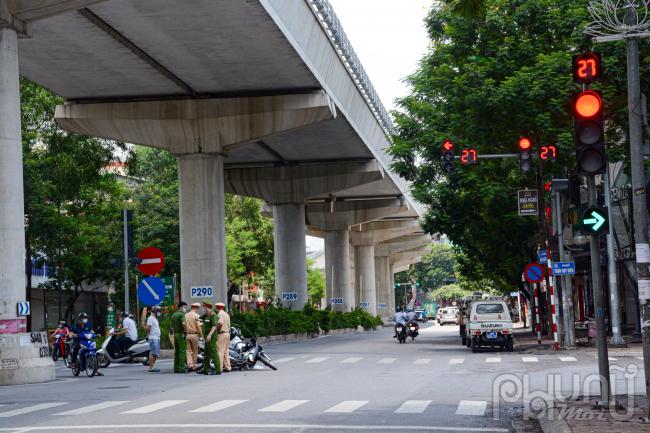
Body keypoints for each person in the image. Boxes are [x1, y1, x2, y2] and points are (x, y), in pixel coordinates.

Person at [198, 302, 220, 375]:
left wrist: (209, 335)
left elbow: (214, 326)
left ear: (207, 307)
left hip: (211, 337)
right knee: (206, 353)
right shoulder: (206, 315)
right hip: (206, 337)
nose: (203, 308)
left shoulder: (213, 315)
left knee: (213, 353)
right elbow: (199, 318)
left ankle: (218, 370)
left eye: (204, 306)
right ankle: (205, 370)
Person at [184, 303, 203, 371]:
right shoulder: (197, 316)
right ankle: (194, 366)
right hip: (195, 335)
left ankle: (190, 365)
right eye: (198, 308)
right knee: (195, 351)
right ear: (196, 308)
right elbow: (199, 326)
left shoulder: (186, 315)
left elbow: (184, 325)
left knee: (188, 351)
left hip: (187, 335)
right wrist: (202, 335)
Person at [170, 302, 188, 373]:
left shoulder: (174, 315)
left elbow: (172, 326)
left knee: (177, 351)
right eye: (185, 307)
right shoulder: (181, 315)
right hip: (181, 334)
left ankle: (176, 368)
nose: (185, 309)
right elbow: (184, 324)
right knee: (182, 351)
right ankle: (181, 368)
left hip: (176, 334)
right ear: (181, 307)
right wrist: (186, 332)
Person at [144, 305, 162, 373]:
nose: (160, 313)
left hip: (156, 337)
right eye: (159, 311)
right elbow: (148, 327)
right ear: (155, 311)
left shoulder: (154, 318)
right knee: (152, 353)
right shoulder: (150, 318)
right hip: (153, 337)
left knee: (155, 353)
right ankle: (151, 367)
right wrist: (148, 334)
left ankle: (153, 366)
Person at [215, 302, 231, 373]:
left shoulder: (220, 314)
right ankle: (228, 367)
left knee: (220, 351)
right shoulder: (226, 314)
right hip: (227, 333)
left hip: (221, 334)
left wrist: (217, 329)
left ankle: (220, 368)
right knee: (226, 351)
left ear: (217, 307)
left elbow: (220, 323)